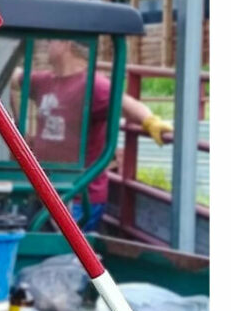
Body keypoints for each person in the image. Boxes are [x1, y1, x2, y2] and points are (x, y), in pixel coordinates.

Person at [11, 40, 172, 231]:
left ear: (66, 44)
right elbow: (11, 79)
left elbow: (126, 104)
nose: (46, 44)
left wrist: (151, 121)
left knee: (61, 251)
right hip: (45, 190)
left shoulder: (93, 85)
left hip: (78, 196)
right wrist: (18, 127)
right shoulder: (44, 81)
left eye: (52, 39)